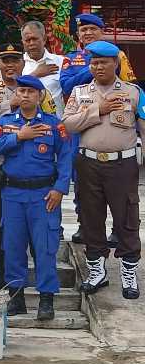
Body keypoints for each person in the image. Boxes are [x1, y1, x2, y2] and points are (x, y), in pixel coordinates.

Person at [62, 41, 142, 300]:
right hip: (89, 164)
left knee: (126, 218)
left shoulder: (134, 93)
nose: (97, 67)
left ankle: (129, 273)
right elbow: (68, 124)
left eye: (103, 62)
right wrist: (98, 110)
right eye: (93, 62)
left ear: (115, 63)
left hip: (123, 165)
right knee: (91, 218)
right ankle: (97, 271)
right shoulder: (79, 92)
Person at [0, 43, 58, 288]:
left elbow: (51, 117)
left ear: (23, 64)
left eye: (14, 61)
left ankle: (35, 273)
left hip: (32, 166)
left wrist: (28, 92)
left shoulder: (36, 90)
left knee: (33, 222)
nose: (9, 65)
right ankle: (1, 270)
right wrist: (13, 103)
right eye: (4, 61)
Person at [0, 75, 71, 320]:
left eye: (31, 92)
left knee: (45, 247)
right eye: (21, 91)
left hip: (44, 195)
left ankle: (46, 299)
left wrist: (59, 189)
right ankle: (16, 298)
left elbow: (66, 158)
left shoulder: (55, 125)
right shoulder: (5, 122)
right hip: (12, 194)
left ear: (40, 96)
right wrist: (18, 137)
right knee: (13, 246)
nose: (25, 95)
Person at [61, 13, 134, 245]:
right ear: (77, 35)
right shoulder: (70, 59)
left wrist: (105, 62)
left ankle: (116, 228)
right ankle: (85, 224)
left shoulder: (119, 56)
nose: (88, 33)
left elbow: (130, 87)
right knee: (82, 180)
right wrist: (95, 65)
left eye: (93, 29)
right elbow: (66, 84)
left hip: (117, 123)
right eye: (84, 30)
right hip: (81, 124)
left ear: (101, 32)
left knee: (119, 188)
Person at [21, 20, 65, 116]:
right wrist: (35, 74)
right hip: (26, 125)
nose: (31, 43)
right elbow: (14, 94)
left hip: (56, 123)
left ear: (44, 39)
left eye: (35, 39)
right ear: (23, 42)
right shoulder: (19, 64)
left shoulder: (60, 61)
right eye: (27, 40)